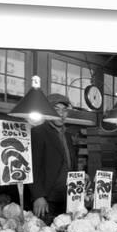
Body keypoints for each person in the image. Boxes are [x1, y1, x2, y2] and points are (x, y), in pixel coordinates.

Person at [29, 93, 77, 223]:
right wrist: (38, 196)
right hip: (47, 200)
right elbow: (32, 166)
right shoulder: (38, 132)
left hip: (67, 197)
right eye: (56, 109)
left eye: (65, 110)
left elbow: (69, 164)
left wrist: (81, 178)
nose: (61, 114)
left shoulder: (68, 135)